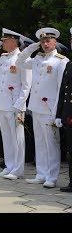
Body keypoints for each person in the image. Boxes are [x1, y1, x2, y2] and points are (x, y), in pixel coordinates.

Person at [16, 27, 69, 188]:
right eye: (43, 41)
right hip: (36, 107)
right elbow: (20, 63)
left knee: (51, 143)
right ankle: (41, 173)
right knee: (39, 142)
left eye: (48, 41)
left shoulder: (61, 61)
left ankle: (51, 177)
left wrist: (57, 112)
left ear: (55, 42)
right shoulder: (38, 59)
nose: (45, 44)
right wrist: (31, 48)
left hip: (50, 108)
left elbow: (61, 88)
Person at [0, 28, 32, 180]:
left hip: (15, 106)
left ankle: (17, 169)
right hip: (2, 104)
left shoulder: (22, 59)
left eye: (5, 41)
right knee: (6, 137)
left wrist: (19, 105)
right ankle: (9, 166)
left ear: (14, 41)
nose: (3, 43)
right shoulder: (3, 58)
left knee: (17, 139)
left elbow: (26, 85)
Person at [56, 27, 72, 192]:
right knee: (70, 150)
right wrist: (60, 113)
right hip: (68, 113)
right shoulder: (69, 64)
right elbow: (63, 91)